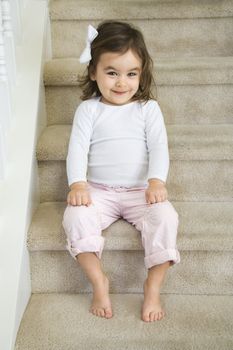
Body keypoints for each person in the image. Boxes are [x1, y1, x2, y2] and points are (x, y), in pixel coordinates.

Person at [62, 21, 180, 323]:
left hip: (140, 191)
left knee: (166, 217)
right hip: (99, 190)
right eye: (111, 72)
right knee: (75, 217)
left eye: (131, 74)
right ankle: (99, 281)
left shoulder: (147, 109)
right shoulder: (89, 109)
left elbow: (158, 147)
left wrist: (156, 181)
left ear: (141, 74)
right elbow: (77, 149)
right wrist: (78, 184)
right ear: (93, 72)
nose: (121, 83)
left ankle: (152, 286)